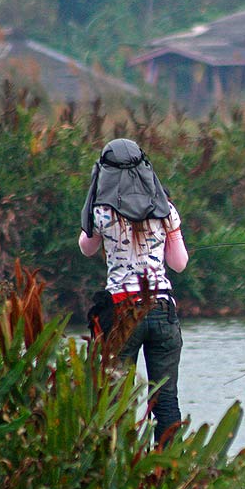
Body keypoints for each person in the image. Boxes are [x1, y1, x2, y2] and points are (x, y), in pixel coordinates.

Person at [79, 138, 189, 448]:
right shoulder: (166, 210)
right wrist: (171, 235)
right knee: (166, 401)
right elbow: (179, 264)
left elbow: (87, 249)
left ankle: (121, 469)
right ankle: (169, 474)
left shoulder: (101, 213)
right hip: (163, 312)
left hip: (122, 312)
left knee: (115, 399)